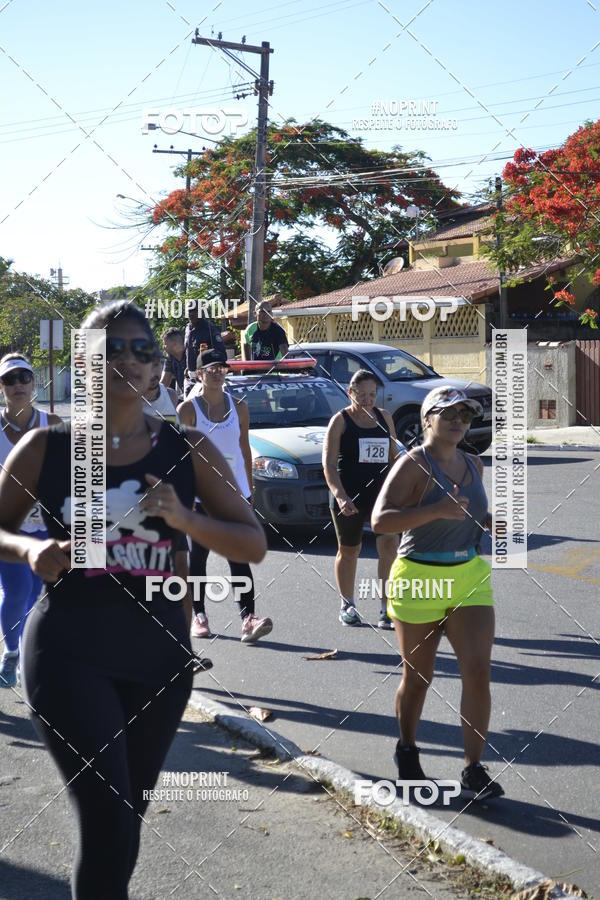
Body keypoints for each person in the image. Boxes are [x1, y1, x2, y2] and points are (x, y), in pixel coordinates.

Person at [0, 301, 266, 899]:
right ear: (84, 364)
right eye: (111, 348)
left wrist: (184, 518)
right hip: (68, 652)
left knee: (126, 823)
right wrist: (30, 550)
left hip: (159, 659)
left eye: (141, 348)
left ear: (157, 366)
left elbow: (252, 542)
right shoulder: (46, 447)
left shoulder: (187, 447)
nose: (127, 359)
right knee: (108, 821)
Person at [371, 386, 504, 801]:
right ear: (427, 419)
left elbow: (467, 512)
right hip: (419, 578)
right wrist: (435, 511)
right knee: (419, 678)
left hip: (468, 575)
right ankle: (407, 750)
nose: (458, 421)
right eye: (448, 413)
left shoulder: (473, 463)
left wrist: (488, 521)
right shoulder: (414, 463)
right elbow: (380, 520)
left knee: (478, 671)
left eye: (465, 415)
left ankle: (473, 768)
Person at [178, 347, 273, 643]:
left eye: (222, 369)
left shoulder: (239, 407)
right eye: (212, 370)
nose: (218, 374)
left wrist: (249, 489)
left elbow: (244, 449)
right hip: (200, 496)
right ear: (199, 375)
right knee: (199, 556)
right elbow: (180, 457)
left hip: (234, 494)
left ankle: (248, 619)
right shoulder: (188, 410)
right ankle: (199, 616)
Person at [0, 353, 61, 688]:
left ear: (33, 382)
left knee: (35, 593)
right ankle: (15, 652)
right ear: (2, 387)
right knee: (17, 589)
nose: (18, 385)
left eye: (24, 377)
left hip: (45, 526)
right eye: (10, 380)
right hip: (8, 528)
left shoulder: (52, 423)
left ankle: (23, 652)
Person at [323, 369, 401, 629]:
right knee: (349, 550)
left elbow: (393, 457)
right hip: (349, 494)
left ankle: (386, 608)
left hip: (381, 495)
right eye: (362, 395)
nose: (368, 400)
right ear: (350, 393)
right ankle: (347, 604)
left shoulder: (385, 417)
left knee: (389, 546)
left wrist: (399, 491)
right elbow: (329, 465)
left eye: (372, 394)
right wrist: (340, 496)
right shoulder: (340, 421)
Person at [183, 301, 225, 397]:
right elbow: (188, 350)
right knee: (187, 405)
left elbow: (221, 354)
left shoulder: (209, 329)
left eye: (195, 310)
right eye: (189, 311)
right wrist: (188, 367)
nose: (192, 313)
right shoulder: (188, 329)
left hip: (204, 379)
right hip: (189, 378)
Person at [143, 351, 179, 423]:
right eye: (146, 367)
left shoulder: (171, 396)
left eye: (156, 364)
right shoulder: (125, 401)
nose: (152, 373)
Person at [160, 327, 186, 396]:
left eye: (165, 344)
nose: (163, 347)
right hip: (185, 396)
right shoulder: (170, 359)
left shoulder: (191, 355)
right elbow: (163, 384)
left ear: (174, 344)